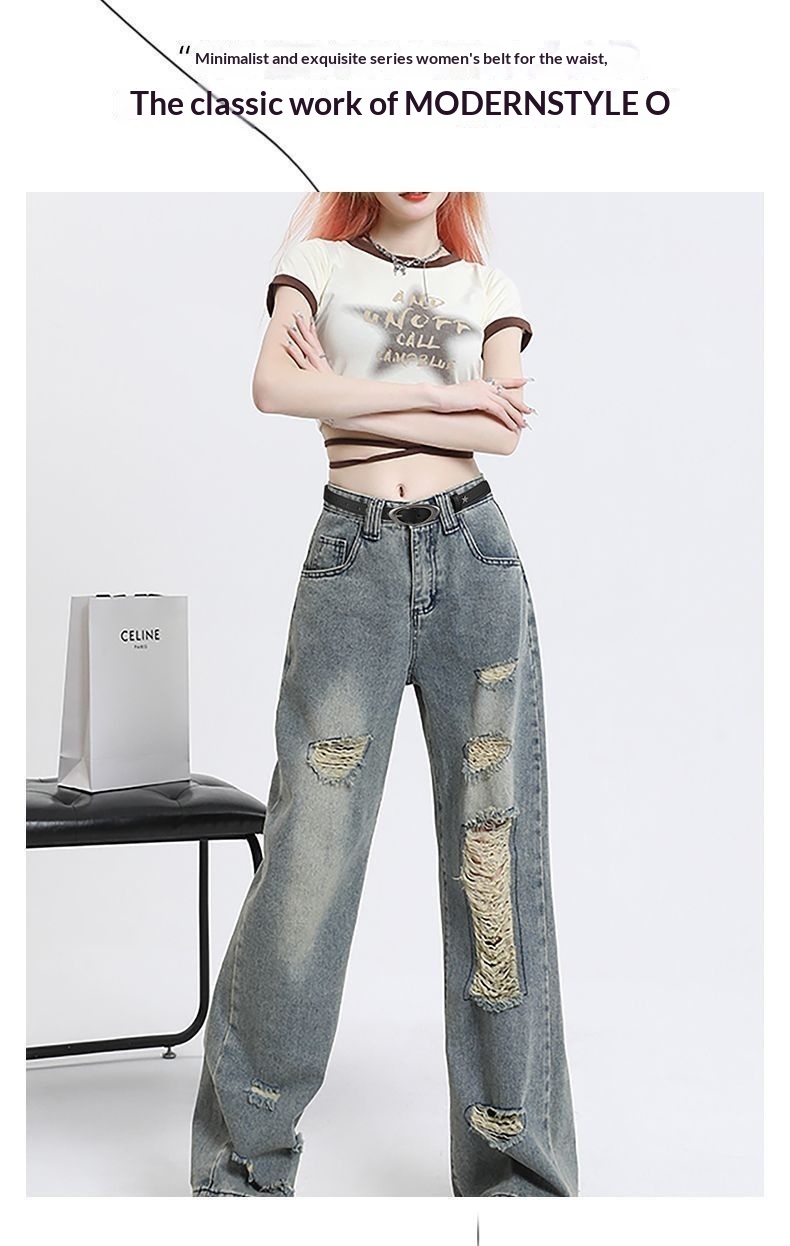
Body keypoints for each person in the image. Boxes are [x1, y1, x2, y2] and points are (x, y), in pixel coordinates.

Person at [190, 191, 579, 1198]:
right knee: (308, 857)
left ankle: (513, 1179)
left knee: (493, 858)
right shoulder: (315, 267)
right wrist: (449, 400)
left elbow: (503, 434)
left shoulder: (487, 286)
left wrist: (353, 393)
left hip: (475, 559)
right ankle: (243, 1168)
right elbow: (275, 389)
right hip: (350, 564)